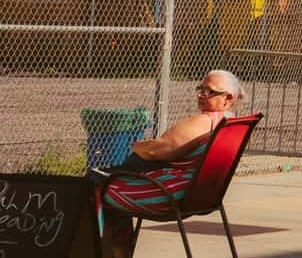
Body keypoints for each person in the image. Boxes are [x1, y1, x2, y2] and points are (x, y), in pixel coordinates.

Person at [95, 70, 244, 257]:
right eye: (200, 89)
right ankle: (119, 253)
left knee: (97, 189)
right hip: (201, 196)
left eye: (209, 91)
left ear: (228, 98)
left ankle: (102, 252)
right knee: (112, 185)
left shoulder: (205, 121)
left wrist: (137, 146)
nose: (200, 95)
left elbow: (159, 150)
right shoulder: (232, 123)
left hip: (170, 196)